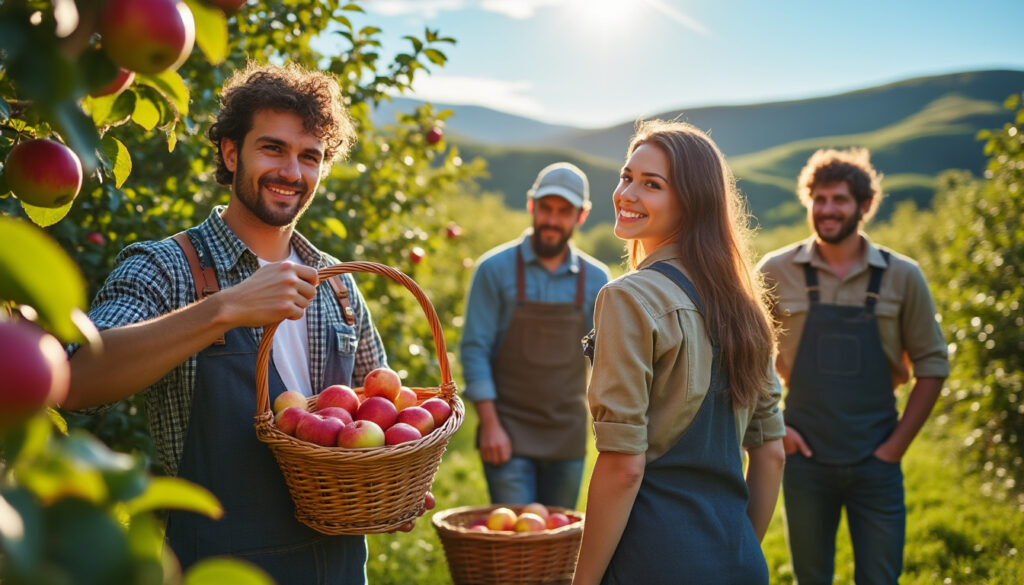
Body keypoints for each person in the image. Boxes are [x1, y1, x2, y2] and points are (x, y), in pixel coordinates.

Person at [64, 62, 417, 584]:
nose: (291, 172)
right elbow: (74, 381)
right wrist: (223, 308)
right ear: (231, 153)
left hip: (340, 567)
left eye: (310, 156)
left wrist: (393, 482)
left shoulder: (338, 286)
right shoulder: (167, 268)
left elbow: (382, 418)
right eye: (273, 148)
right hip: (217, 570)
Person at [572, 120, 786, 585]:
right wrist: (736, 550)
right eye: (627, 177)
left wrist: (583, 582)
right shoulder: (747, 306)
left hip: (651, 560)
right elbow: (771, 453)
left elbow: (624, 467)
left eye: (652, 184)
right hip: (739, 561)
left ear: (692, 202)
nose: (627, 194)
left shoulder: (627, 297)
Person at [758, 147, 949, 585]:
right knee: (811, 577)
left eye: (839, 199)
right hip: (804, 458)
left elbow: (933, 365)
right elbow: (745, 358)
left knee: (880, 577)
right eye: (819, 199)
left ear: (865, 205)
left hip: (877, 460)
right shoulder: (775, 271)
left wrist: (893, 450)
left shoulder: (903, 276)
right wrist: (775, 429)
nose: (827, 210)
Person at [459, 162, 610, 509]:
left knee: (557, 533)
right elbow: (475, 349)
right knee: (517, 535)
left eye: (564, 212)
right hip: (507, 432)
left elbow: (607, 359)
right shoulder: (493, 270)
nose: (552, 220)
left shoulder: (597, 279)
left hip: (567, 436)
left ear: (581, 216)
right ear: (531, 206)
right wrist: (490, 426)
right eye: (546, 208)